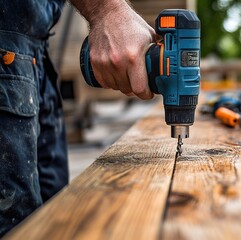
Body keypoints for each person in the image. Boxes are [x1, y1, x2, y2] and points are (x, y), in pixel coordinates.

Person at [0, 0, 155, 236]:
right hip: (8, 56)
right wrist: (107, 10)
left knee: (56, 216)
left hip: (35, 54)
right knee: (18, 227)